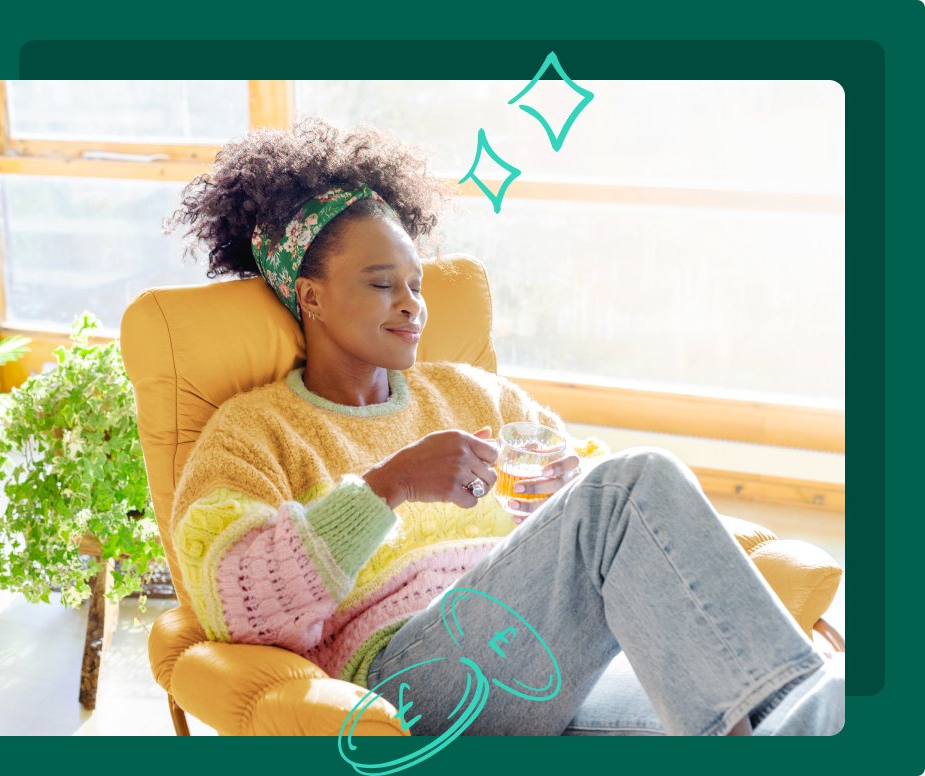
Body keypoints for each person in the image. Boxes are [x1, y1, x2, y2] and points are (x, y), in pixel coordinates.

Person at [164, 116, 843, 736]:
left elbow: (588, 510)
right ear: (310, 296)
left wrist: (560, 487)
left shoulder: (468, 392)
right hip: (403, 683)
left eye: (417, 283)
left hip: (550, 670)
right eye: (380, 283)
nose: (411, 305)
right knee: (635, 481)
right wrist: (387, 487)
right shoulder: (253, 431)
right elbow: (238, 606)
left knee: (787, 712)